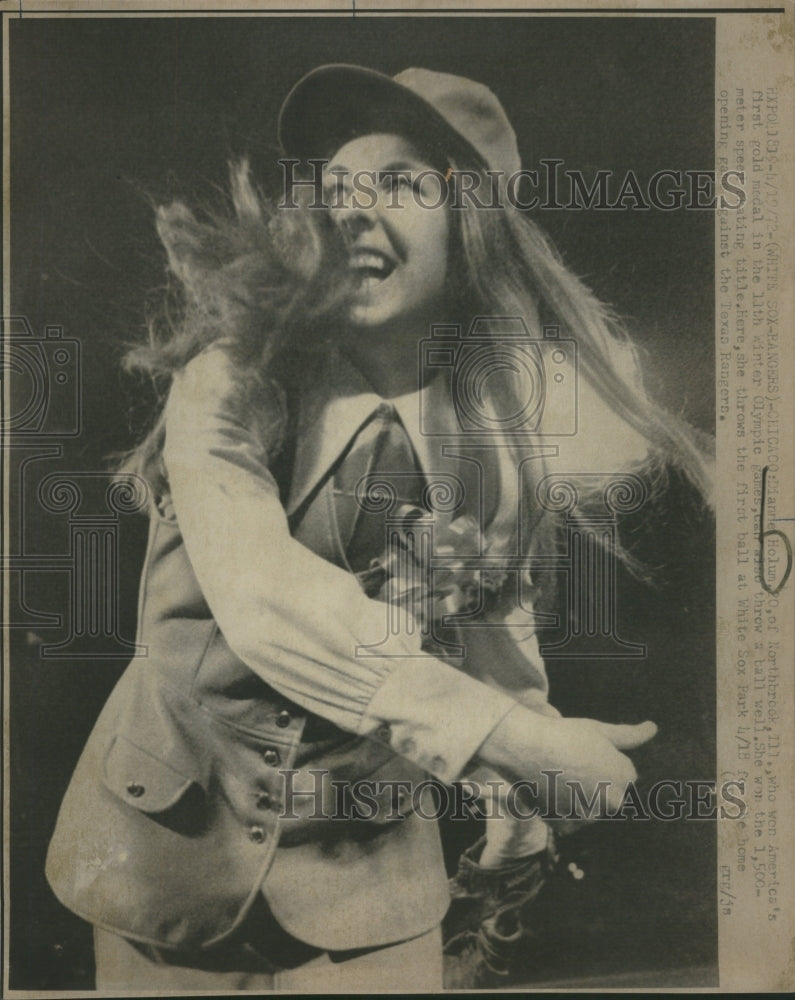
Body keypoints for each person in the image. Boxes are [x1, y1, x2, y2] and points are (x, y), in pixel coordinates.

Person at [45, 64, 711, 992]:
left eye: (397, 183)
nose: (352, 211)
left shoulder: (500, 434)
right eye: (335, 190)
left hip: (371, 873)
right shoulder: (230, 382)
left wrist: (516, 792)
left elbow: (492, 634)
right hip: (164, 855)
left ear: (472, 223)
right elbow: (264, 598)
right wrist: (517, 746)